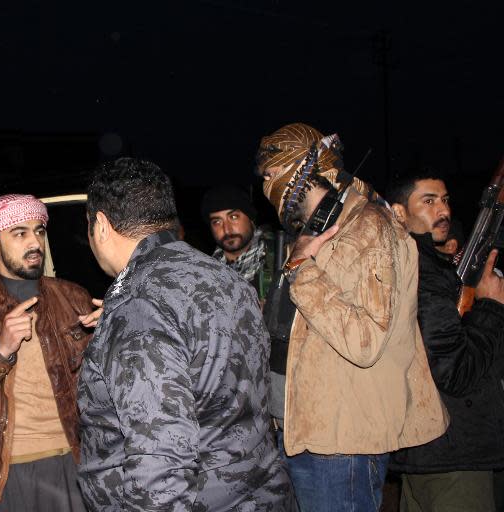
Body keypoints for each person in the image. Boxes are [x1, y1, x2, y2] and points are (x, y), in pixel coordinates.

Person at [78, 157, 291, 511]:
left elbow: (160, 465)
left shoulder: (138, 305)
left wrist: (131, 322)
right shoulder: (225, 277)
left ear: (100, 224)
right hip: (258, 493)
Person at [256, 123, 448, 512]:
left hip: (340, 445)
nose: (265, 186)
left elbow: (365, 340)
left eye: (270, 174)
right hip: (299, 432)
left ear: (298, 168)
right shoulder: (314, 233)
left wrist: (303, 270)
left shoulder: (367, 228)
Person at [0, 194, 99, 511]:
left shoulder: (73, 297)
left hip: (78, 458)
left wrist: (113, 333)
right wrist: (1, 351)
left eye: (39, 231)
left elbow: (102, 385)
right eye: (20, 233)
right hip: (11, 471)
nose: (35, 242)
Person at [387, 169, 504, 512]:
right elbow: (456, 371)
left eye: (445, 200)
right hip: (452, 459)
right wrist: (491, 307)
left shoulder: (425, 267)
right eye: (428, 201)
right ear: (398, 213)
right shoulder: (421, 273)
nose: (443, 211)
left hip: (432, 452)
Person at [200, 184, 275, 301]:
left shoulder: (281, 257)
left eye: (234, 217)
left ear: (250, 218)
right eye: (217, 222)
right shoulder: (204, 275)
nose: (227, 229)